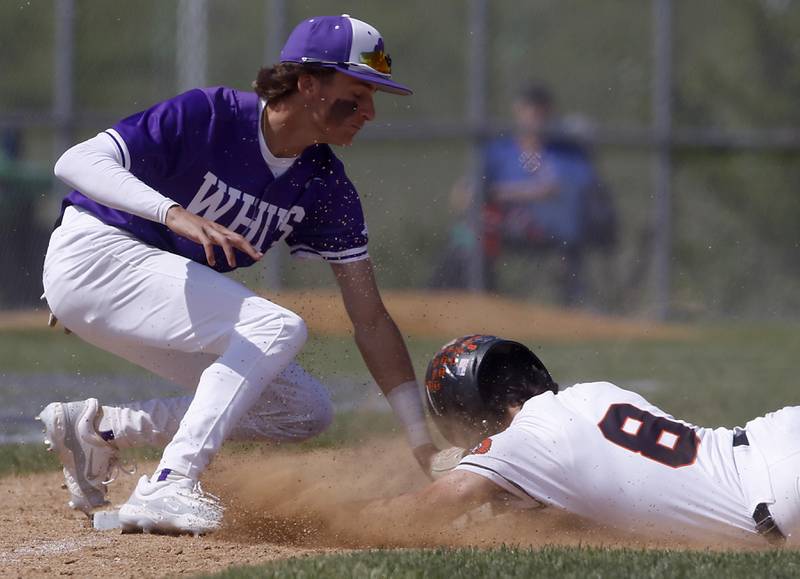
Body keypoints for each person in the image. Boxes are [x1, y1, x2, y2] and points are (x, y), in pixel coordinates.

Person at [37, 14, 437, 535]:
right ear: (308, 82)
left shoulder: (324, 184)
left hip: (149, 283)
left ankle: (100, 429)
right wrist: (173, 214)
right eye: (358, 91)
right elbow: (77, 161)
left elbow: (371, 319)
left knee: (302, 410)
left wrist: (421, 441)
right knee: (278, 327)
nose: (370, 111)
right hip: (97, 254)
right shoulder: (211, 115)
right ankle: (170, 483)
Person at [366, 335, 800, 546]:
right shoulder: (592, 393)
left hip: (772, 497)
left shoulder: (525, 442)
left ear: (468, 410)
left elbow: (431, 507)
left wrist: (320, 520)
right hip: (775, 434)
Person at [433, 85, 615, 306]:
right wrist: (483, 195)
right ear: (517, 111)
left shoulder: (566, 153)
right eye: (529, 110)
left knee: (562, 225)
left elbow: (569, 190)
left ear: (551, 112)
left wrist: (502, 193)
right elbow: (463, 194)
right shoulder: (500, 151)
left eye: (541, 111)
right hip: (507, 225)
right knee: (472, 229)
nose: (535, 117)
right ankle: (459, 292)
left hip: (554, 226)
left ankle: (572, 301)